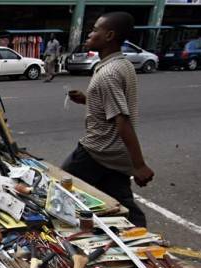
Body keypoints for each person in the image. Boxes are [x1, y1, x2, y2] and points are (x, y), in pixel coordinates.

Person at [62, 12, 153, 227]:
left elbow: (121, 119)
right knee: (123, 203)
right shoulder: (122, 65)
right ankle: (142, 235)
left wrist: (139, 165)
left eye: (95, 30)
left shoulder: (109, 73)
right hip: (115, 153)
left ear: (110, 35)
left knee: (60, 188)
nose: (89, 34)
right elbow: (113, 105)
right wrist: (88, 99)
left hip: (98, 150)